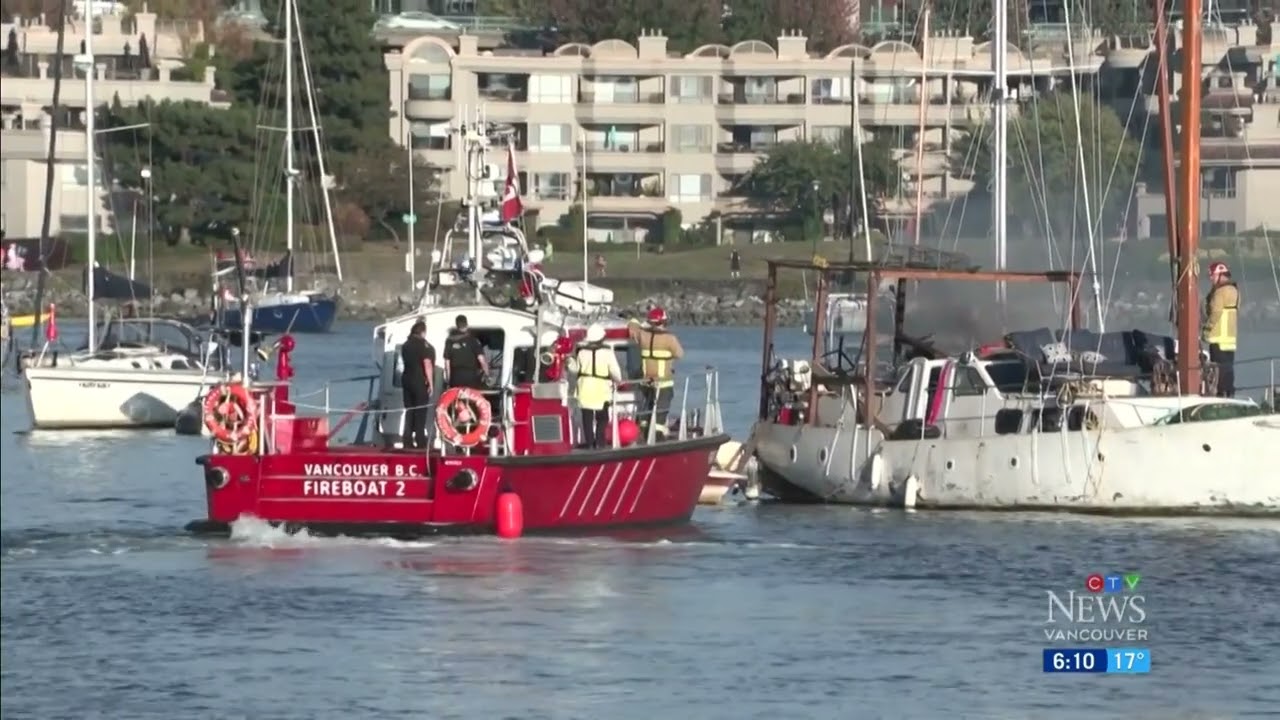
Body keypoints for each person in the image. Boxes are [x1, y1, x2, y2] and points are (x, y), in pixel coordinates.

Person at [628, 306, 685, 436]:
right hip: (663, 382)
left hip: (645, 381)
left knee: (645, 409)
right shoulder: (669, 338)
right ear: (664, 322)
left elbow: (633, 327)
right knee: (661, 410)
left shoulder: (642, 335)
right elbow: (680, 354)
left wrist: (635, 322)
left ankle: (642, 432)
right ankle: (657, 435)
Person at [569, 323, 622, 449]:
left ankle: (589, 443)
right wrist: (618, 380)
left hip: (584, 388)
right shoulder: (608, 353)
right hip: (601, 390)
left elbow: (575, 369)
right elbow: (615, 372)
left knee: (587, 417)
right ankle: (599, 441)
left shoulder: (581, 352)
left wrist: (569, 361)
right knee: (602, 418)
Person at [1203, 260, 1239, 397]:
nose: (1211, 279)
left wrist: (1206, 330)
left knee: (1218, 369)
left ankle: (1220, 394)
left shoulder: (1219, 292)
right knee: (1228, 368)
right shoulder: (1235, 291)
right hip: (1230, 339)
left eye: (1212, 275)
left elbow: (1215, 313)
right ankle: (1229, 393)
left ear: (1218, 275)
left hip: (1218, 338)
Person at [399, 320, 435, 449]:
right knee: (420, 411)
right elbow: (427, 364)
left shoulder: (405, 345)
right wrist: (431, 383)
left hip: (406, 379)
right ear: (423, 332)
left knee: (409, 411)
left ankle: (407, 439)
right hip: (419, 380)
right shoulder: (424, 346)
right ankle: (420, 440)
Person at [443, 314, 489, 389]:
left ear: (457, 326)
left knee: (457, 399)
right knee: (471, 398)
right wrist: (487, 374)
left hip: (456, 376)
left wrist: (448, 379)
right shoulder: (473, 340)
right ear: (467, 325)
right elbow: (481, 360)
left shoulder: (449, 341)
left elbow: (447, 362)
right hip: (471, 376)